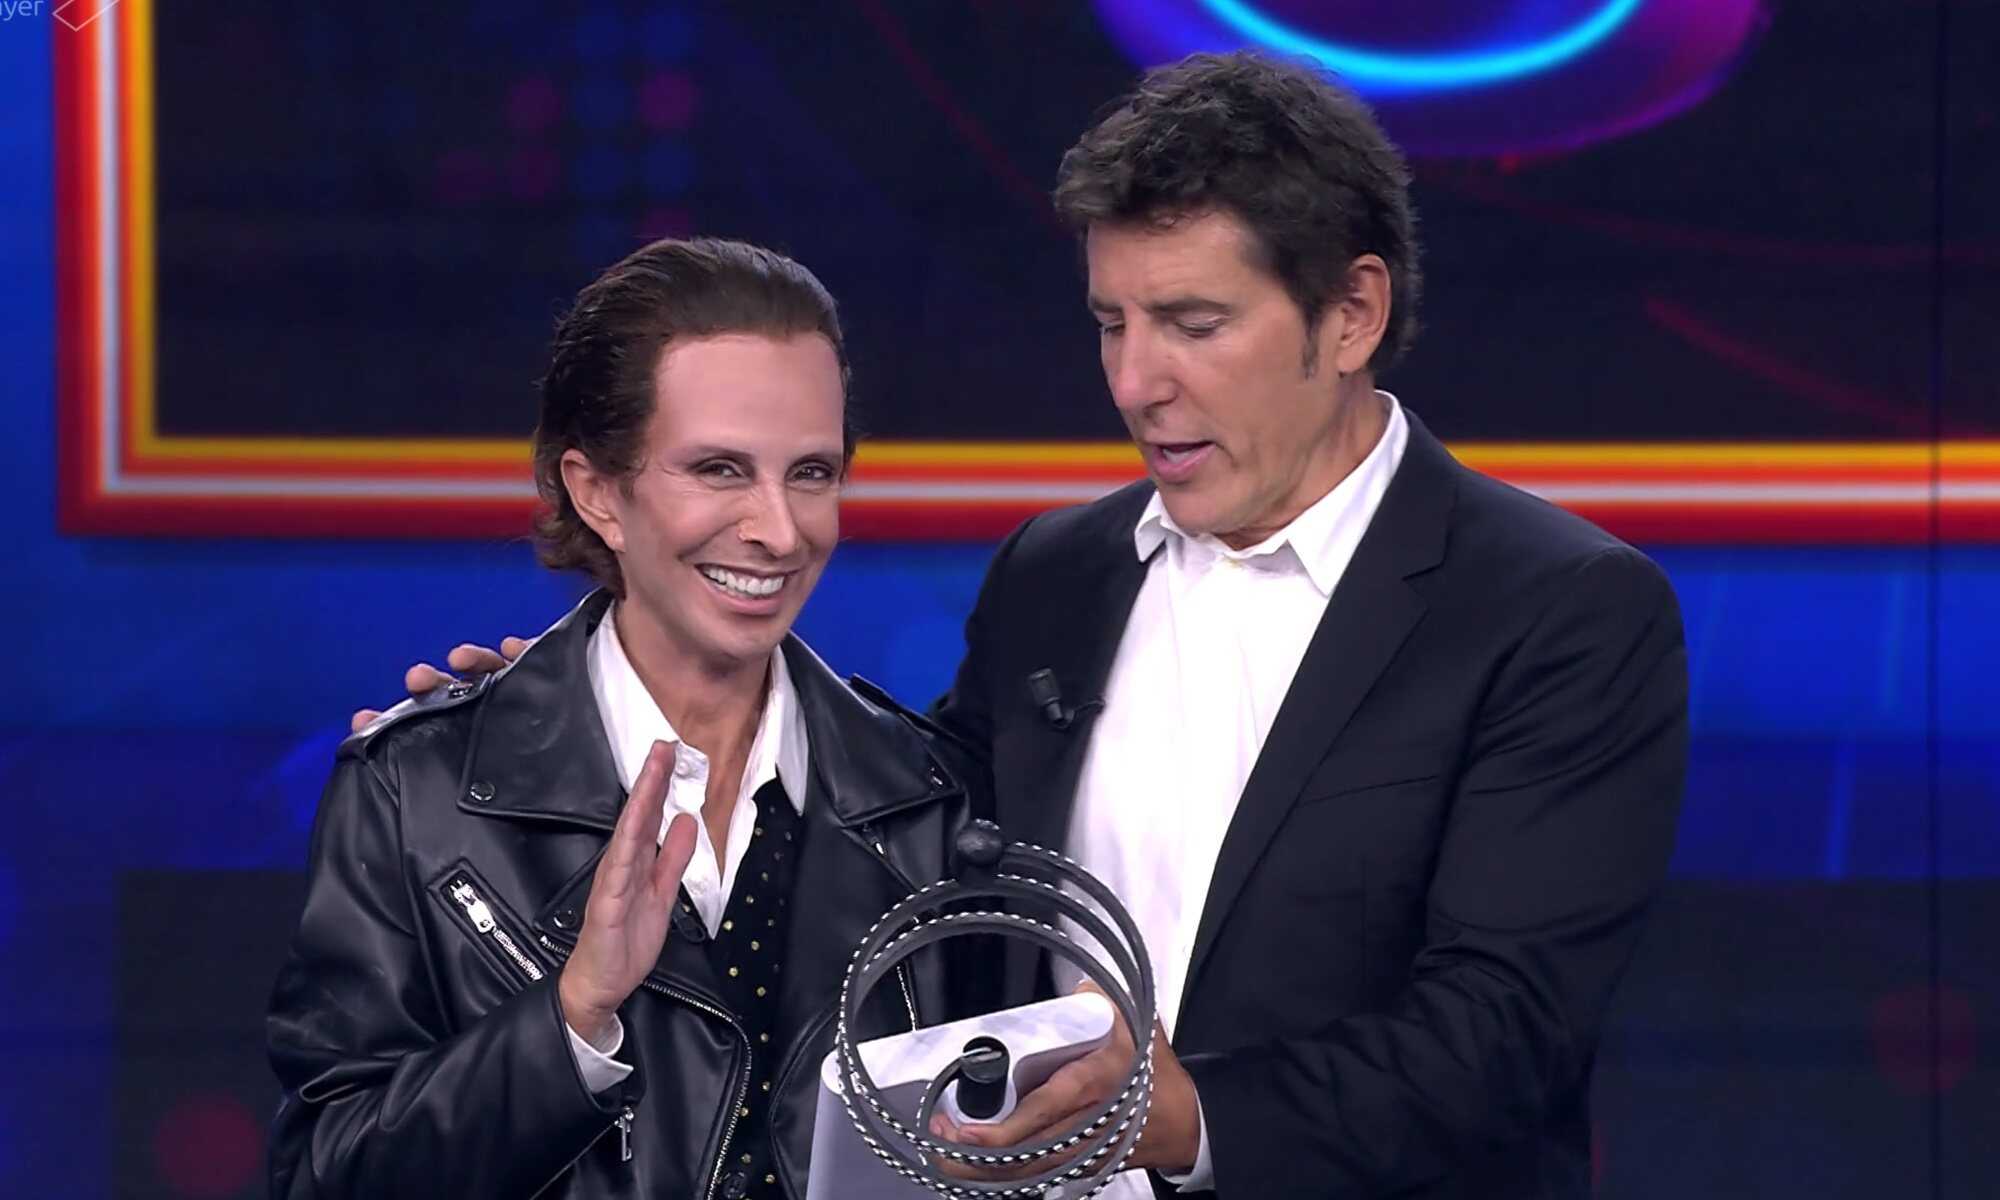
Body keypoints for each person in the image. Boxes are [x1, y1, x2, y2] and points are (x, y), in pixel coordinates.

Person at [372, 52, 1688, 1200]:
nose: (1134, 381)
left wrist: (1183, 1118)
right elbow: (895, 843)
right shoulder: (1058, 572)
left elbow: (1502, 1029)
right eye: (1112, 323)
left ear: (1351, 316)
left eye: (1193, 325)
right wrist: (604, 716)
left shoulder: (1554, 610)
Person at [270, 238, 984, 1200]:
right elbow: (328, 1175)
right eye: (720, 469)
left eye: (812, 473)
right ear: (597, 491)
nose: (779, 530)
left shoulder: (932, 803)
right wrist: (571, 1021)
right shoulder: (417, 794)